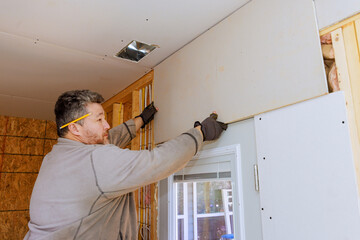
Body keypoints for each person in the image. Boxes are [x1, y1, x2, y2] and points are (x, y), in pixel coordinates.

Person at [24, 89, 227, 240]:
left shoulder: (56, 156)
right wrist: (200, 133)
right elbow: (158, 161)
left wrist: (140, 120)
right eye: (100, 119)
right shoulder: (96, 162)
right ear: (76, 128)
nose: (107, 125)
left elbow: (107, 138)